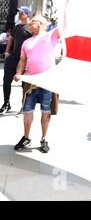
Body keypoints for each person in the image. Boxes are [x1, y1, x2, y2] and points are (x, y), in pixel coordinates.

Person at [13, 14, 62, 153]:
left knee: (46, 112)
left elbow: (64, 27)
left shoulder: (51, 36)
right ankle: (26, 138)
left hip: (47, 82)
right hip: (30, 82)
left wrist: (67, 7)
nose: (28, 24)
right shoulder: (26, 42)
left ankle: (44, 139)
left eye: (32, 21)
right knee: (27, 111)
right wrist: (18, 73)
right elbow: (22, 60)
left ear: (40, 24)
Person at [0, 6, 33, 114]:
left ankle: (24, 105)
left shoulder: (32, 28)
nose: (19, 14)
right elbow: (11, 39)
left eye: (21, 13)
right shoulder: (17, 27)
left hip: (25, 60)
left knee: (24, 84)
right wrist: (7, 52)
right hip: (13, 58)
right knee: (6, 82)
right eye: (19, 13)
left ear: (27, 14)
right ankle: (6, 103)